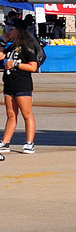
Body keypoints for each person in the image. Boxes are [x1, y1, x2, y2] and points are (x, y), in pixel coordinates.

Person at [1, 16, 43, 156]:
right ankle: (5, 142)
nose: (7, 31)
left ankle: (29, 143)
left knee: (26, 114)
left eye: (10, 30)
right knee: (11, 114)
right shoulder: (12, 46)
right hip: (9, 84)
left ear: (17, 31)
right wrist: (3, 41)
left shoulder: (27, 46)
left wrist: (16, 64)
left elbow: (33, 67)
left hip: (22, 84)